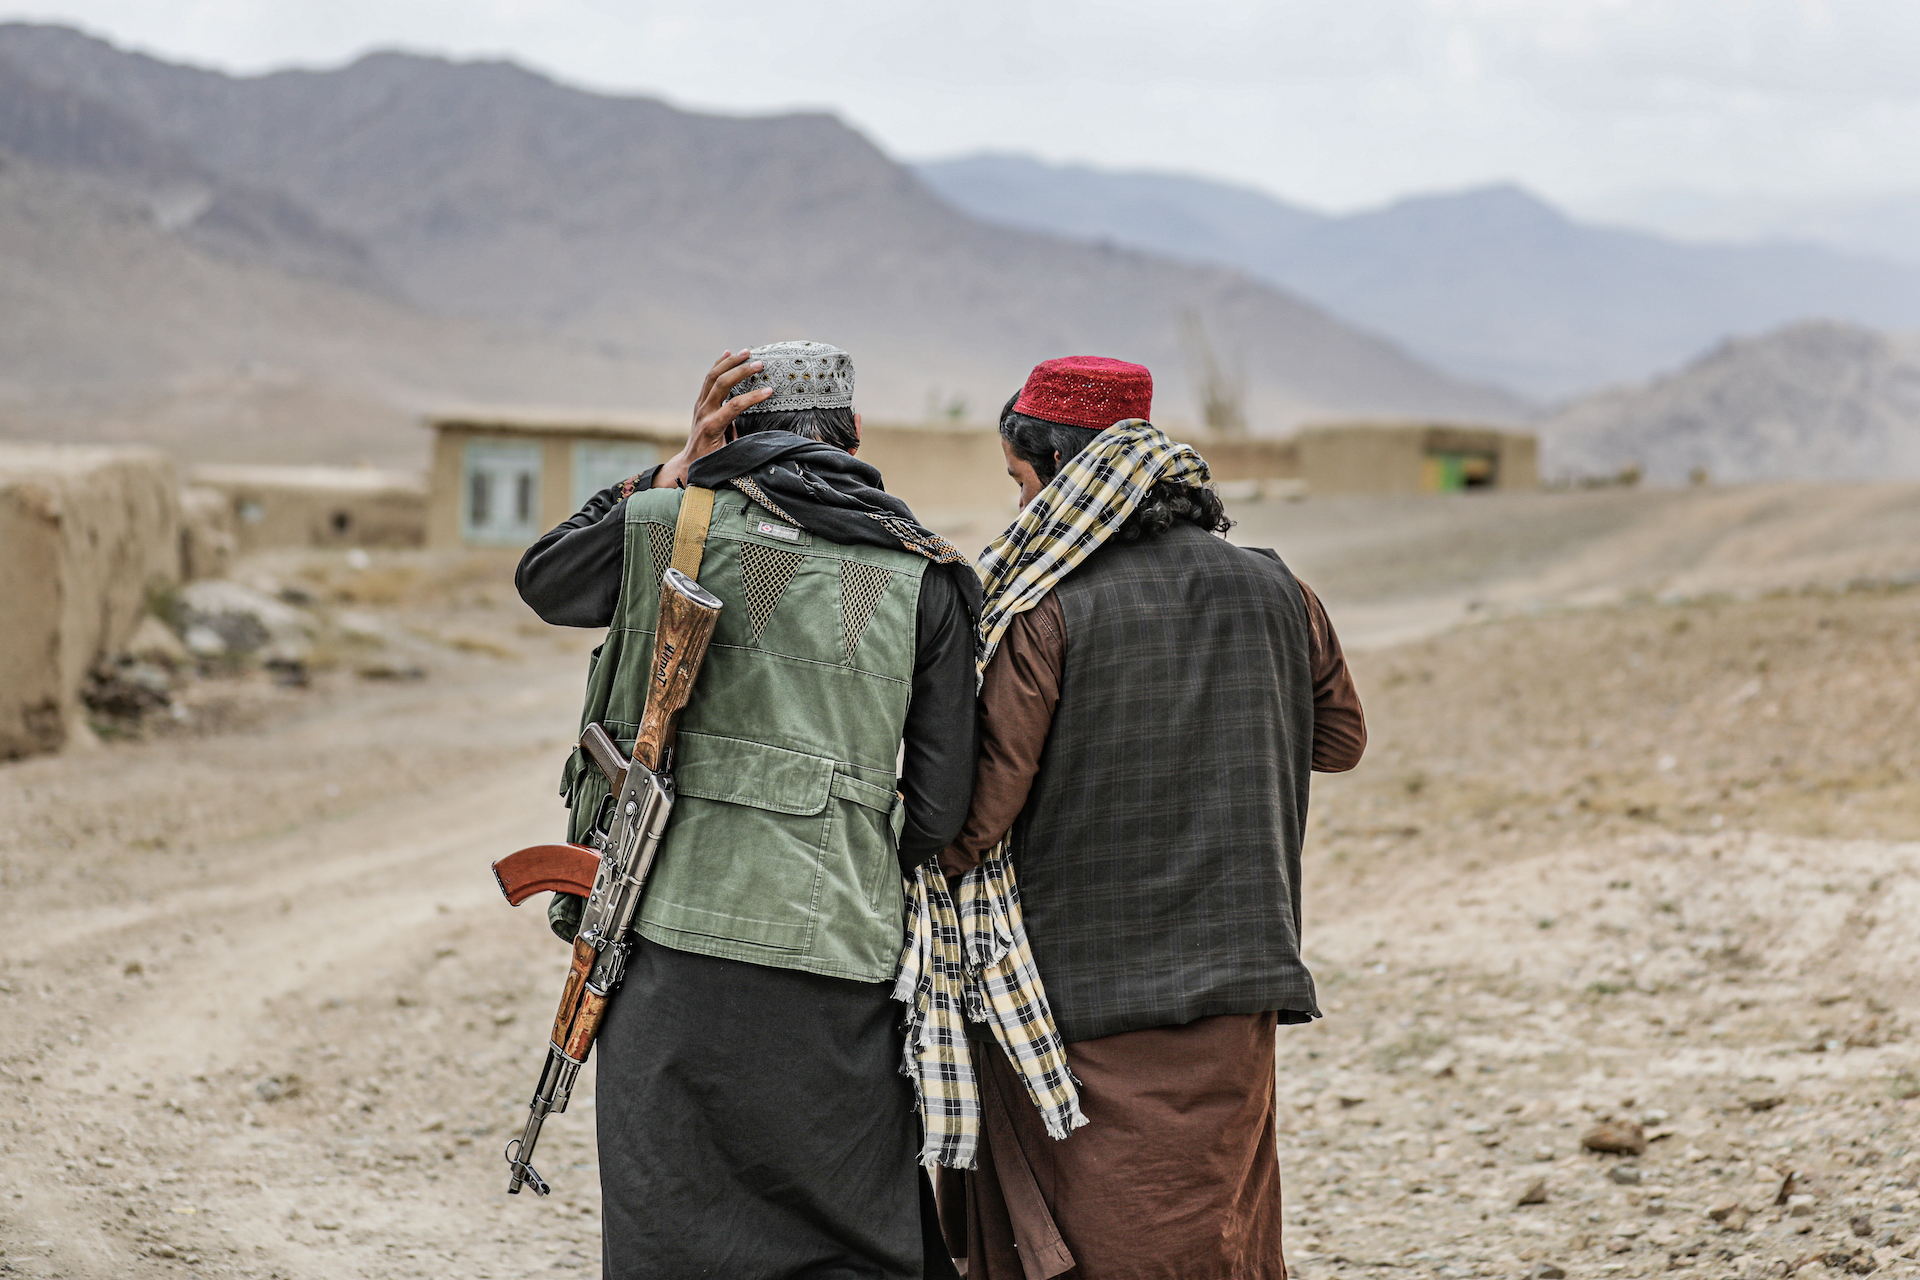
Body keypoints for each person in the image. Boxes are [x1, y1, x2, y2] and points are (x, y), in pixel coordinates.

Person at [515, 342, 976, 1280]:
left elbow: (547, 580)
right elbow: (938, 811)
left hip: (667, 947)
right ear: (851, 436)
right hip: (838, 951)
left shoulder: (661, 525)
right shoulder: (926, 572)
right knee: (843, 1225)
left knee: (671, 1230)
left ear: (728, 430)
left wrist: (667, 471)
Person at [935, 356, 1368, 1280]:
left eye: (1021, 484)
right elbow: (1339, 740)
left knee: (1103, 1238)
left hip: (1076, 993)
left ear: (1059, 472)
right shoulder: (1278, 588)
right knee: (1219, 1228)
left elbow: (977, 820)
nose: (1020, 511)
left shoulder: (1045, 613)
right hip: (1243, 973)